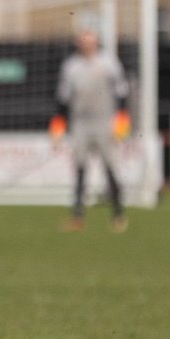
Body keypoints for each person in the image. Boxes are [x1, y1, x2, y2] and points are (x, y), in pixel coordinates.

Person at [49, 28, 129, 232]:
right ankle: (77, 217)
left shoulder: (108, 62)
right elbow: (63, 100)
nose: (87, 44)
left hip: (105, 121)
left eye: (90, 41)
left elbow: (121, 92)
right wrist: (59, 126)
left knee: (110, 167)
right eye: (83, 41)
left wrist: (121, 121)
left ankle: (119, 215)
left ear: (97, 42)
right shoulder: (70, 67)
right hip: (80, 123)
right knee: (80, 169)